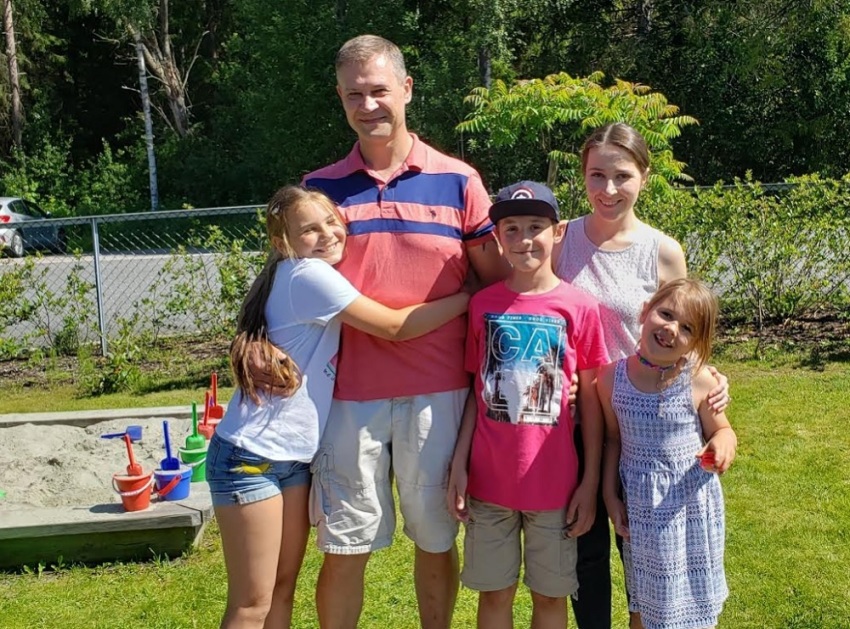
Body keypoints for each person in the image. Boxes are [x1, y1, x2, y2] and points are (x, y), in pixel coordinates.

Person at [297, 35, 506, 629]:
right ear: (340, 99)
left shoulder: (459, 181)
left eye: (379, 90)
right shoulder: (320, 191)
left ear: (407, 90)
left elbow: (493, 290)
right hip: (344, 395)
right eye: (354, 94)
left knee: (435, 540)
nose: (368, 105)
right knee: (344, 546)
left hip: (440, 394)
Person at [206, 185, 470, 629]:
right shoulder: (308, 274)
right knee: (252, 603)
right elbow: (392, 326)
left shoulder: (295, 274)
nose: (327, 234)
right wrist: (469, 296)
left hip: (290, 460)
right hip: (251, 458)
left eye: (331, 221)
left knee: (281, 590)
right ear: (282, 242)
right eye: (309, 229)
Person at [552, 122, 732, 629]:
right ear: (582, 176)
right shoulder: (560, 239)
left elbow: (684, 321)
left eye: (622, 176)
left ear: (644, 178)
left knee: (647, 560)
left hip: (645, 429)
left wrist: (709, 377)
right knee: (584, 559)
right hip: (572, 423)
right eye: (596, 175)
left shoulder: (662, 250)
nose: (608, 189)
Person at [447, 181, 609, 628]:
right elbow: (474, 396)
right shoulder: (482, 306)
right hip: (488, 485)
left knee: (551, 599)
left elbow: (592, 406)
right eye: (511, 229)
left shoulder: (580, 307)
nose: (523, 240)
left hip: (554, 487)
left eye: (535, 227)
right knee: (495, 598)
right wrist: (460, 465)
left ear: (557, 232)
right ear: (497, 239)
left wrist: (589, 482)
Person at [597, 278, 735, 629]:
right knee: (642, 602)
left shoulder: (699, 380)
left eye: (687, 327)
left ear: (697, 342)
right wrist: (610, 496)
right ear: (645, 312)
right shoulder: (612, 379)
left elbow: (722, 430)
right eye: (666, 314)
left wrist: (721, 446)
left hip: (690, 507)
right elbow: (613, 439)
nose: (672, 329)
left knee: (691, 599)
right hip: (642, 510)